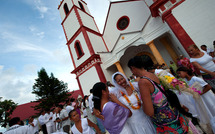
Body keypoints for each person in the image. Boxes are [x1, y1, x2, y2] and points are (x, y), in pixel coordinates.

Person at [127, 56, 189, 133]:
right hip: (172, 112)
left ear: (133, 68)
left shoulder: (143, 82)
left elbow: (149, 112)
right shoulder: (151, 74)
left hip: (164, 120)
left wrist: (142, 106)